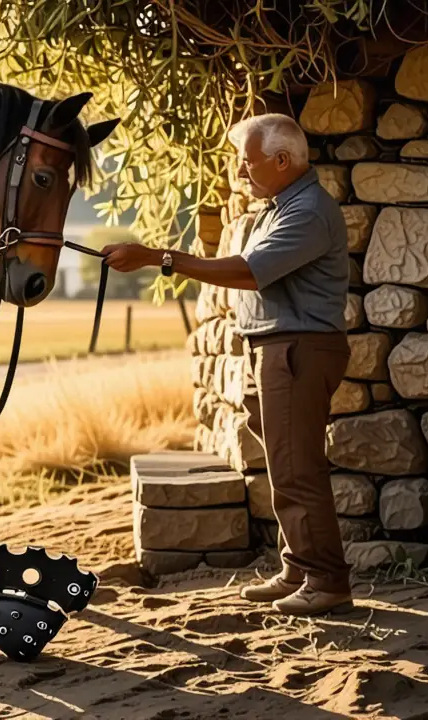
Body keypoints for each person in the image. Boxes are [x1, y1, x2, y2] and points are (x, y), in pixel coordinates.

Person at [102, 113, 353, 616]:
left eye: (247, 162)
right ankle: (299, 569)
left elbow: (247, 271)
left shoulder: (306, 212)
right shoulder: (281, 206)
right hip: (278, 348)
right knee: (285, 466)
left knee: (298, 468)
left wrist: (159, 258)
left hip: (298, 349)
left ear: (282, 161)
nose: (240, 173)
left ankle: (327, 581)